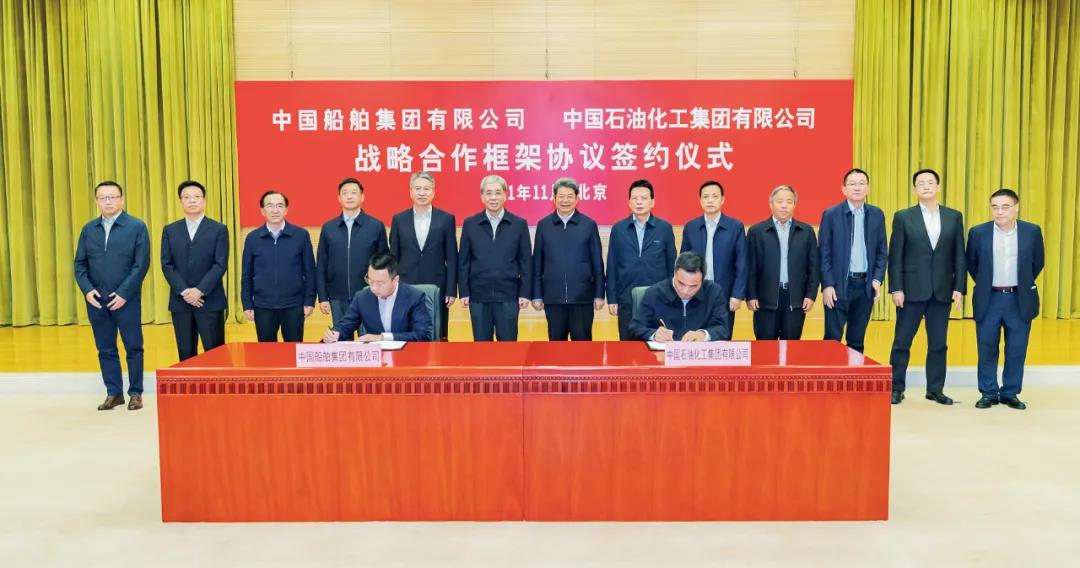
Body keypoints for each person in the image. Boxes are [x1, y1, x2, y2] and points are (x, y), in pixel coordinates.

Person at [888, 168, 966, 405]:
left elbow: (959, 254)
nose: (926, 186)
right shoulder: (903, 217)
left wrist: (959, 287)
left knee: (938, 344)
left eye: (930, 182)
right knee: (902, 342)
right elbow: (895, 256)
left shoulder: (954, 216)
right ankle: (895, 387)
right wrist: (896, 288)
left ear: (938, 187)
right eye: (921, 183)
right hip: (910, 290)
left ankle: (935, 389)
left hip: (942, 289)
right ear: (914, 189)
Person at [74, 181, 150, 411]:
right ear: (97, 201)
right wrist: (87, 290)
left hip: (126, 299)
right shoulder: (89, 229)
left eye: (112, 197)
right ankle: (113, 393)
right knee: (105, 348)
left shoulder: (136, 227)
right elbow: (79, 264)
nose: (108, 201)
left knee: (133, 347)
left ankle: (135, 393)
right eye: (103, 198)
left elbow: (141, 264)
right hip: (97, 300)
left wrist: (124, 293)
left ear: (122, 199)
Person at [966, 189, 1045, 410]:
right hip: (989, 298)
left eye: (1005, 207)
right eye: (995, 207)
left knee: (1016, 349)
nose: (999, 212)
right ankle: (988, 392)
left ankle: (1010, 392)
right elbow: (972, 263)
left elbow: (1037, 262)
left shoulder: (1032, 231)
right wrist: (986, 283)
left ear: (1016, 207)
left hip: (1019, 299)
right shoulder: (978, 232)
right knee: (987, 348)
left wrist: (1021, 283)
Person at [818, 168, 888, 352]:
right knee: (832, 340)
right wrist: (827, 285)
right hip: (838, 287)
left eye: (862, 183)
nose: (857, 187)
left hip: (865, 286)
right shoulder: (831, 214)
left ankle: (854, 372)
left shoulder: (877, 215)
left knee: (857, 341)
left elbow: (882, 252)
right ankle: (830, 372)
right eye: (852, 184)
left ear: (868, 188)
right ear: (844, 189)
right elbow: (824, 253)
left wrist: (877, 279)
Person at [160, 180, 229, 361]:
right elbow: (167, 264)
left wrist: (200, 290)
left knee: (215, 353)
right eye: (186, 197)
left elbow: (220, 264)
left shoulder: (219, 229)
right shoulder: (170, 230)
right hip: (180, 302)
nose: (192, 200)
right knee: (186, 353)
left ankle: (216, 382)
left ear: (204, 201)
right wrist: (185, 291)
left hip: (210, 300)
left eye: (197, 197)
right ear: (180, 201)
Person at [458, 174, 532, 341]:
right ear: (482, 197)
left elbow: (526, 261)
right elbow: (463, 261)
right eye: (489, 193)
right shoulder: (470, 224)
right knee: (481, 346)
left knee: (508, 346)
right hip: (478, 296)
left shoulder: (518, 224)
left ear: (505, 195)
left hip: (509, 296)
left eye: (498, 193)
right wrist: (464, 291)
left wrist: (525, 292)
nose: (493, 197)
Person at [531, 177, 605, 341]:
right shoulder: (544, 225)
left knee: (583, 346)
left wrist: (599, 294)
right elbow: (537, 263)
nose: (565, 200)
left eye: (570, 196)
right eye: (561, 196)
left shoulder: (588, 225)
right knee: (556, 346)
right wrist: (536, 295)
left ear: (577, 199)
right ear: (554, 198)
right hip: (553, 298)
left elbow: (597, 263)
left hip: (582, 298)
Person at [316, 178, 389, 339]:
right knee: (341, 340)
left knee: (368, 341)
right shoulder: (329, 228)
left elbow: (384, 263)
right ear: (339, 198)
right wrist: (323, 297)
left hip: (369, 294)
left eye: (354, 192)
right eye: (345, 193)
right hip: (337, 296)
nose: (349, 196)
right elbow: (321, 263)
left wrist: (382, 291)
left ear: (362, 197)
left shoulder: (375, 226)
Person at [389, 172, 457, 341]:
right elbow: (393, 256)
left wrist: (451, 290)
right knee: (406, 331)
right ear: (410, 191)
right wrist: (391, 286)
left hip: (437, 287)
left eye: (426, 189)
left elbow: (452, 257)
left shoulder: (446, 219)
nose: (422, 193)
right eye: (417, 188)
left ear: (433, 192)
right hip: (406, 285)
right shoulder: (399, 219)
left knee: (438, 333)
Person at [606, 179, 677, 340]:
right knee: (627, 345)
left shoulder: (664, 228)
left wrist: (671, 297)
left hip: (658, 299)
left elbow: (672, 266)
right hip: (626, 299)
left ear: (652, 202)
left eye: (644, 198)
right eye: (635, 198)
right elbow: (612, 265)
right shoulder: (618, 229)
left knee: (656, 344)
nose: (639, 202)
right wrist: (612, 299)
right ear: (629, 202)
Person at [746, 185, 820, 340]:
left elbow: (814, 267)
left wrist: (811, 295)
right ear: (771, 204)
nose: (784, 205)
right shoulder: (756, 232)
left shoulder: (806, 231)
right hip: (764, 300)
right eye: (780, 201)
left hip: (795, 299)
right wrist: (751, 295)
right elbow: (750, 267)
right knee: (765, 347)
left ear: (795, 205)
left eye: (789, 201)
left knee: (792, 346)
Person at [241, 191, 316, 342]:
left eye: (280, 206)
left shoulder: (301, 235)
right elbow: (246, 274)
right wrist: (247, 304)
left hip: (294, 305)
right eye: (270, 206)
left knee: (293, 349)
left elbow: (310, 271)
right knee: (266, 351)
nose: (275, 210)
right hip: (263, 305)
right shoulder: (253, 238)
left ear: (286, 210)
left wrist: (309, 300)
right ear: (262, 210)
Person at [680, 180, 748, 339]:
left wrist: (737, 294)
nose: (710, 200)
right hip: (695, 293)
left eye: (715, 196)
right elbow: (683, 262)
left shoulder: (735, 227)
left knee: (722, 338)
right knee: (694, 339)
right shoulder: (691, 227)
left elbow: (742, 263)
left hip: (724, 294)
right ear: (700, 200)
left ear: (722, 199)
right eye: (706, 197)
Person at [321, 254, 433, 343]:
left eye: (380, 283)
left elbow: (422, 335)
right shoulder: (362, 297)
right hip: (375, 358)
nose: (373, 288)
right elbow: (346, 325)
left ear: (395, 280)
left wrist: (383, 337)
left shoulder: (414, 297)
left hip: (407, 356)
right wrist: (336, 334)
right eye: (370, 281)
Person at [629, 251, 730, 342]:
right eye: (681, 283)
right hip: (663, 354)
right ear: (674, 273)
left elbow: (723, 328)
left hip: (698, 354)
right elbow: (635, 327)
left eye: (693, 286)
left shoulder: (713, 292)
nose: (685, 291)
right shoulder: (654, 293)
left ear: (702, 280)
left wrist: (703, 335)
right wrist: (654, 335)